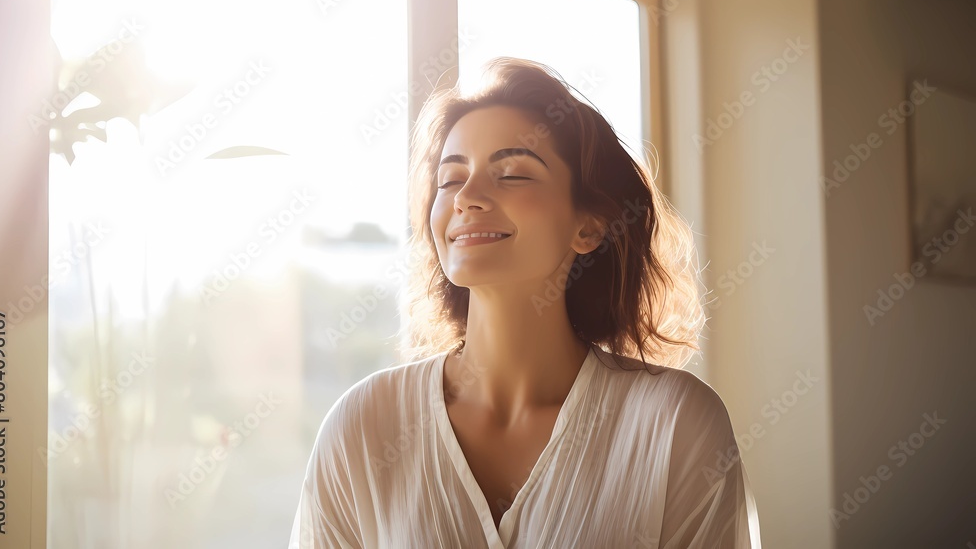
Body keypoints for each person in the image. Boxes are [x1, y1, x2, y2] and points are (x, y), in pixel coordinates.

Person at [289, 57, 761, 548]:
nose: (467, 196)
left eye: (512, 174)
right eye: (450, 179)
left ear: (589, 227)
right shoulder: (363, 425)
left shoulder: (676, 423)